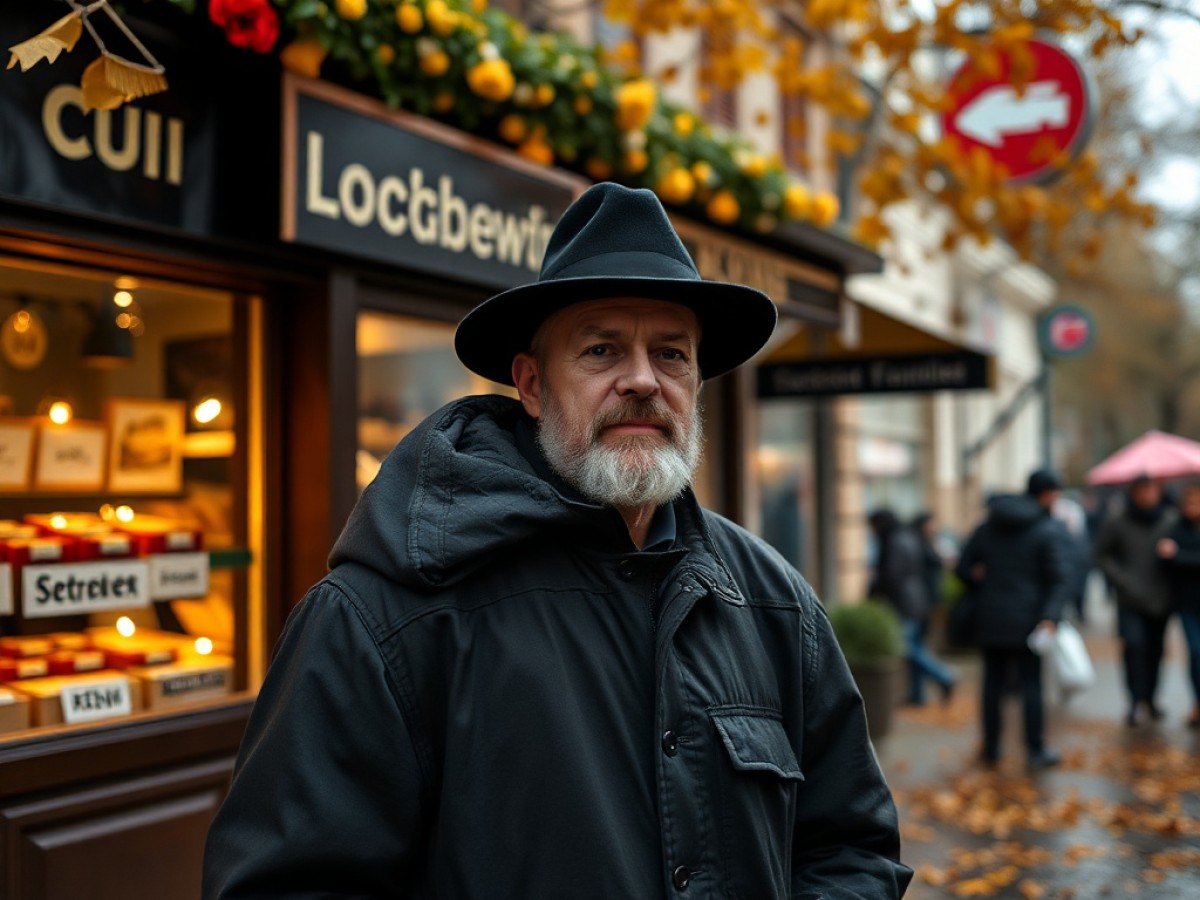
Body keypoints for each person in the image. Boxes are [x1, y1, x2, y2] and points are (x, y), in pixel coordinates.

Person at [202, 183, 912, 899]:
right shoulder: (384, 615)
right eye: (602, 349)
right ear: (533, 386)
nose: (642, 380)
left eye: (671, 354)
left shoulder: (773, 602)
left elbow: (852, 846)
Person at [955, 470, 1070, 768]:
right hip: (1029, 621)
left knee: (992, 684)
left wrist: (980, 581)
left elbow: (963, 568)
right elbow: (1058, 579)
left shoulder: (986, 527)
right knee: (1031, 685)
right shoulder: (1045, 530)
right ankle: (1035, 749)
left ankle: (991, 747)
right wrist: (1050, 617)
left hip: (990, 617)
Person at [1094, 474, 1176, 727]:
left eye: (1152, 491)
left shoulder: (1169, 521)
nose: (1148, 496)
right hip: (1130, 599)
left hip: (1160, 598)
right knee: (1133, 647)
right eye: (1143, 491)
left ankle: (1151, 698)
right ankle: (1134, 700)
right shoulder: (1117, 522)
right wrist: (1121, 579)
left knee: (1155, 650)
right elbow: (1102, 554)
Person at [868, 508, 955, 706]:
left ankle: (944, 675)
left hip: (903, 602)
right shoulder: (908, 536)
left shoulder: (894, 540)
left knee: (907, 648)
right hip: (916, 599)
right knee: (914, 645)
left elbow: (892, 575)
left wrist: (875, 592)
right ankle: (917, 694)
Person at [1157, 480, 1200, 728]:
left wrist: (1179, 556)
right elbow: (1165, 563)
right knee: (1196, 653)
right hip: (1187, 603)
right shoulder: (1175, 528)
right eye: (1189, 503)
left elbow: (1179, 560)